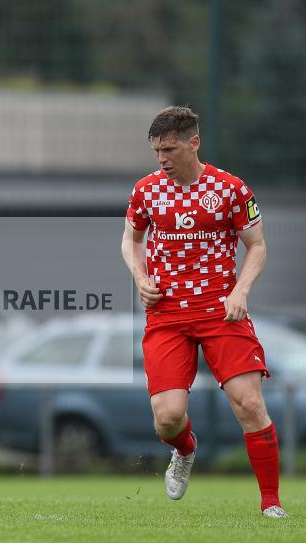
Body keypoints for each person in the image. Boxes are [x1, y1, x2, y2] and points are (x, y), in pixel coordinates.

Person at [120, 106, 286, 518]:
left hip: (220, 312)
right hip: (166, 315)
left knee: (249, 404)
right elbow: (131, 240)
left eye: (169, 150)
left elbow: (257, 247)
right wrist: (140, 277)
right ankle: (184, 449)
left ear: (193, 143)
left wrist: (241, 290)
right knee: (168, 418)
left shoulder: (230, 189)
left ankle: (271, 504)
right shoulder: (146, 190)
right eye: (157, 151)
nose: (162, 159)